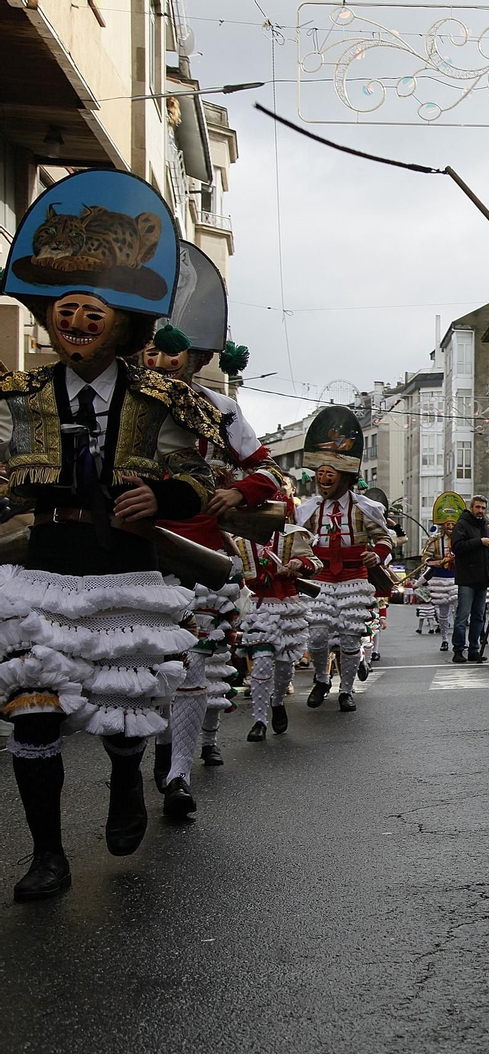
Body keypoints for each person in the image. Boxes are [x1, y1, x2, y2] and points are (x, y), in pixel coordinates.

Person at [0, 168, 225, 900]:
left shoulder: (165, 400)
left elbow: (197, 479)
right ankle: (47, 855)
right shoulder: (20, 401)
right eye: (66, 311)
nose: (76, 323)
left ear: (124, 324)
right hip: (44, 570)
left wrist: (155, 494)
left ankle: (129, 777)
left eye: (92, 313)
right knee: (32, 709)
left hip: (125, 567)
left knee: (125, 708)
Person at [138, 241, 280, 802]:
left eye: (174, 350)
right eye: (151, 348)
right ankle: (143, 758)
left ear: (198, 358)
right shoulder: (118, 401)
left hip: (197, 554)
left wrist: (236, 492)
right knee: (137, 668)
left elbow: (267, 476)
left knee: (193, 663)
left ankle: (177, 774)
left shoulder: (220, 410)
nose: (162, 360)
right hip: (129, 553)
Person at [296, 406, 394, 711]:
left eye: (330, 474)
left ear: (345, 476)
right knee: (317, 635)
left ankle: (347, 690)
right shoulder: (309, 509)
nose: (323, 480)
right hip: (321, 579)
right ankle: (322, 680)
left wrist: (376, 555)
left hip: (354, 577)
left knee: (351, 639)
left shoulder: (364, 508)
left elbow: (385, 538)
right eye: (320, 474)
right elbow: (297, 541)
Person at [237, 501, 319, 740]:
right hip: (257, 606)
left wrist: (300, 564)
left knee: (284, 664)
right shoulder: (238, 538)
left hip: (287, 605)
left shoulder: (292, 535)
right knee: (261, 661)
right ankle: (259, 721)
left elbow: (315, 564)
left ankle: (278, 701)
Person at [449, 495, 489, 663]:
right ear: (471, 507)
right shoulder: (462, 524)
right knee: (463, 616)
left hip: (482, 578)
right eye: (477, 507)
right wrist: (480, 541)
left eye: (483, 508)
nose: (480, 511)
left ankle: (474, 649)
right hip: (467, 578)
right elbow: (457, 547)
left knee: (479, 616)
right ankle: (458, 650)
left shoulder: (485, 525)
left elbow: (487, 551)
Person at [424, 493, 464, 650]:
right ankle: (444, 638)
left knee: (458, 611)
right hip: (440, 578)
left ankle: (457, 639)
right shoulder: (434, 542)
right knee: (443, 612)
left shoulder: (461, 540)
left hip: (456, 578)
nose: (450, 527)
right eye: (447, 524)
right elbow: (425, 559)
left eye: (453, 524)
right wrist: (437, 563)